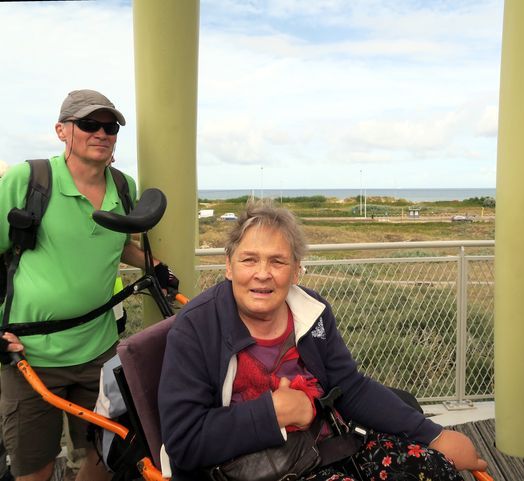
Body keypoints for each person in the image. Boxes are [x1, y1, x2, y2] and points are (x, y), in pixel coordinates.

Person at [158, 201, 487, 481]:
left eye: (277, 261)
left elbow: (351, 387)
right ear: (228, 266)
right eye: (249, 259)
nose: (262, 273)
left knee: (437, 469)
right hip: (256, 468)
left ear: (296, 271)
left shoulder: (311, 311)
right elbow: (183, 442)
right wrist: (272, 413)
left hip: (330, 445)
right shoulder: (197, 328)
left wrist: (434, 435)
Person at [0, 89, 176, 481]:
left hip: (98, 351)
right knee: (34, 466)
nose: (101, 133)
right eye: (89, 124)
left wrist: (155, 266)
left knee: (109, 454)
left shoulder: (124, 187)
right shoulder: (28, 180)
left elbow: (118, 241)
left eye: (109, 126)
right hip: (29, 353)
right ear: (62, 130)